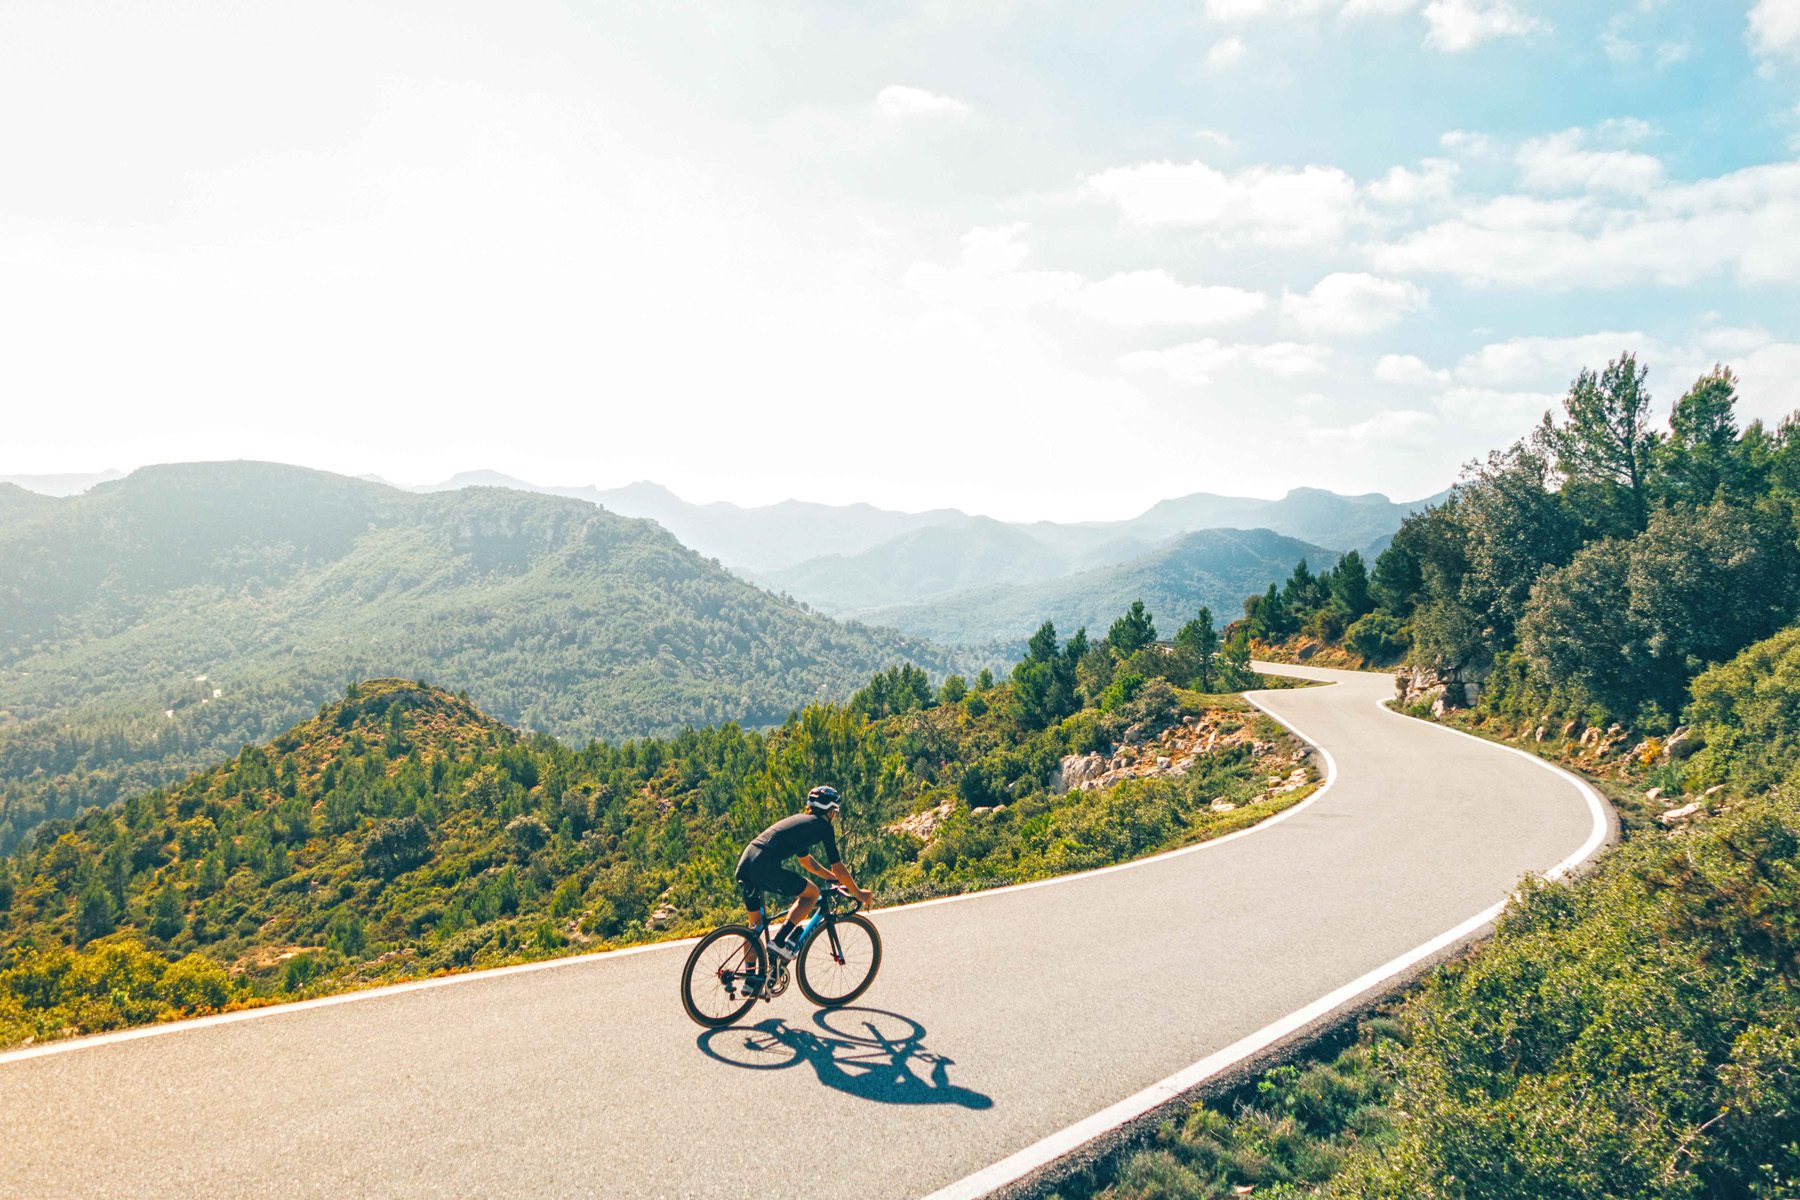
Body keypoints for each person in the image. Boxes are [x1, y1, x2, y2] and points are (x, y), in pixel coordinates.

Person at [735, 785, 874, 960]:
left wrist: (833, 878)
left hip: (746, 862)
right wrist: (859, 893)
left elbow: (807, 861)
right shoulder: (823, 827)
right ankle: (779, 941)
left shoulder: (802, 823)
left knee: (755, 927)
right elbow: (838, 867)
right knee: (812, 894)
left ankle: (751, 977)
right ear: (831, 811)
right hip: (764, 866)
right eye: (835, 812)